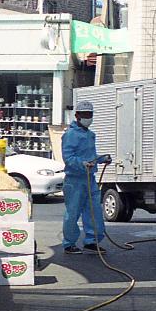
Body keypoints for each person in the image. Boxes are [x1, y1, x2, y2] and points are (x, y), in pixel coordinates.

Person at [61, 100, 111, 254]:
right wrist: (83, 164)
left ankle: (92, 241)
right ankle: (69, 243)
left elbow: (90, 156)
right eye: (85, 115)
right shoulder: (70, 135)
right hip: (74, 180)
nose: (88, 117)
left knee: (94, 211)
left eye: (90, 114)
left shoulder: (90, 135)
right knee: (73, 212)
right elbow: (68, 157)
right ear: (77, 116)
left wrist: (101, 159)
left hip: (90, 179)